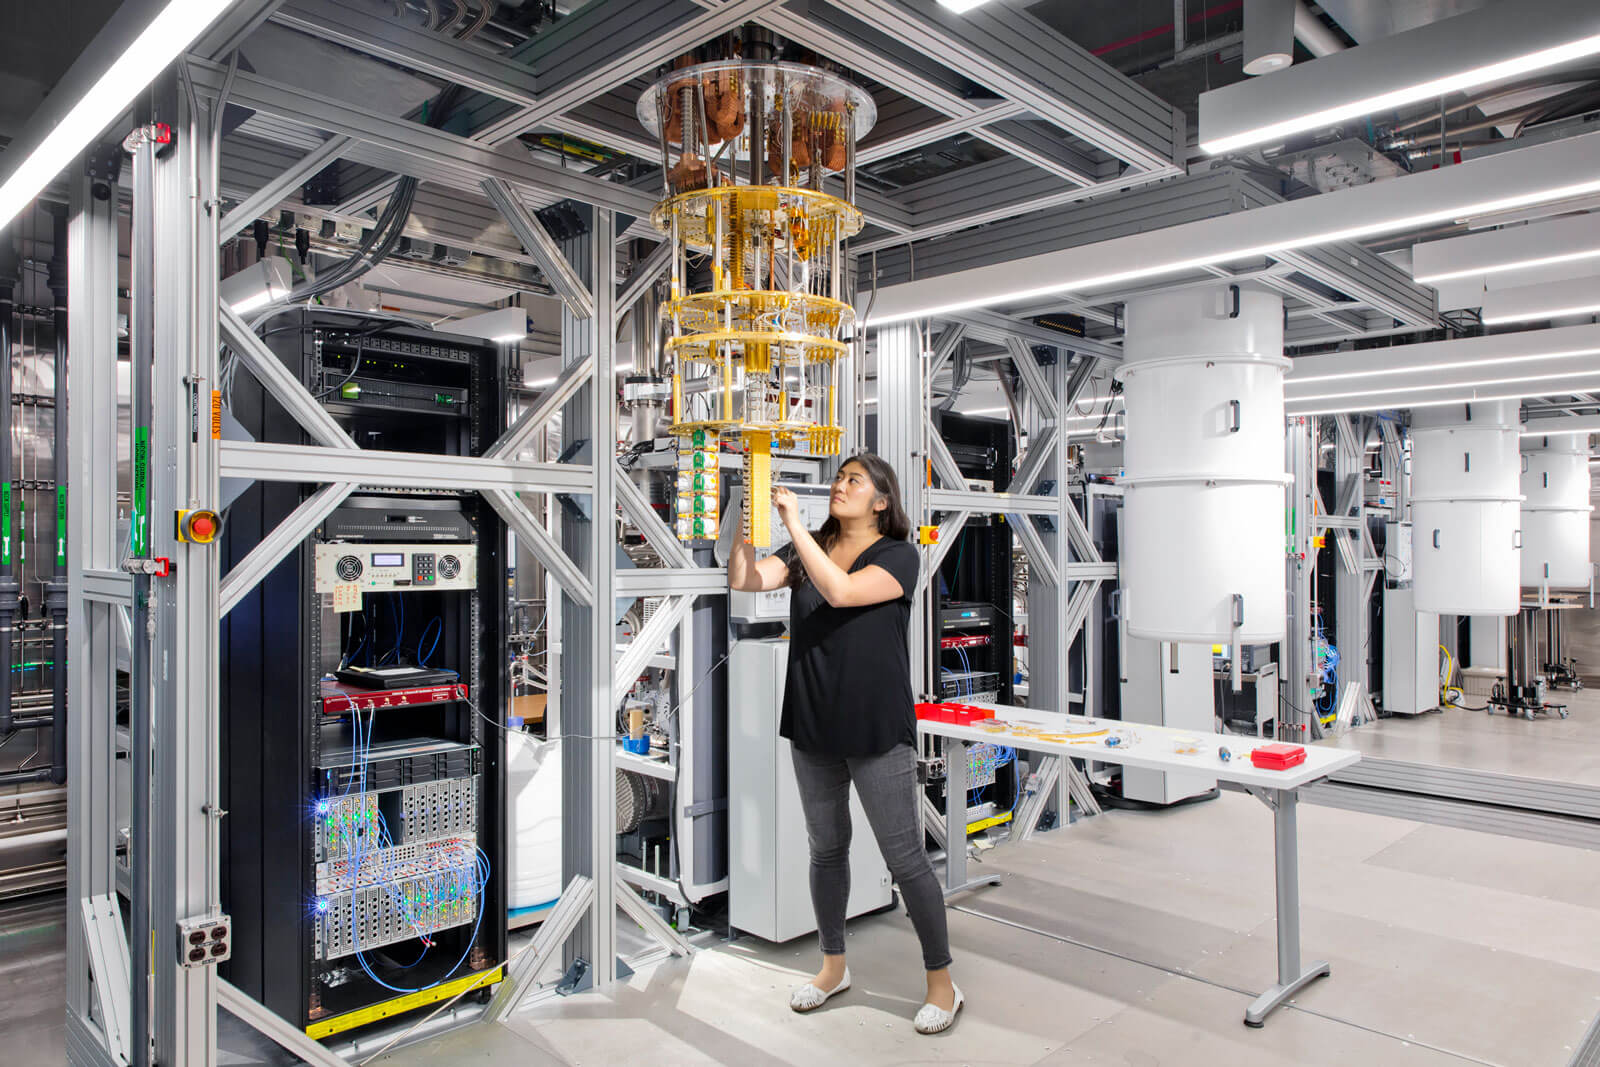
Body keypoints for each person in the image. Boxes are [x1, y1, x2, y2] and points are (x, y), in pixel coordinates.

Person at [727, 452, 962, 1035]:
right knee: (826, 849)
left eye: (853, 480)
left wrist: (793, 524)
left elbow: (841, 593)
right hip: (813, 721)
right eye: (839, 477)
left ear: (881, 502)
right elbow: (745, 580)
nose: (840, 485)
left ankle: (942, 984)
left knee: (904, 858)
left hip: (875, 725)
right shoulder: (808, 550)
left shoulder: (898, 555)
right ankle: (833, 967)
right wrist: (743, 518)